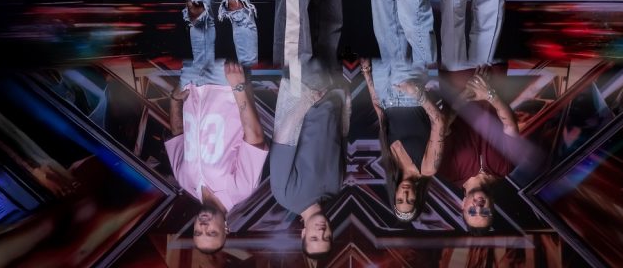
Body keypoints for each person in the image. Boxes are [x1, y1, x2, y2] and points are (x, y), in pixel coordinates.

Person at [166, 59, 269, 253]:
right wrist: (238, 86)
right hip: (225, 83)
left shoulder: (185, 181)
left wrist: (174, 100)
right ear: (226, 228)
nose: (203, 227)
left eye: (198, 232)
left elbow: (178, 134)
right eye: (212, 233)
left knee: (189, 39)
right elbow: (254, 136)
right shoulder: (241, 189)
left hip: (191, 82)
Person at [269, 58, 349, 260]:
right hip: (334, 88)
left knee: (301, 39)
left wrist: (306, 100)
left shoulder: (286, 196)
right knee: (331, 37)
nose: (321, 232)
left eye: (314, 238)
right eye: (326, 237)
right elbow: (341, 136)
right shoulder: (336, 188)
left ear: (303, 233)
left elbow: (282, 139)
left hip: (305, 87)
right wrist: (345, 101)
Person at [438, 65, 523, 235]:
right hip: (494, 74)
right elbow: (510, 125)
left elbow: (442, 127)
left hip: (455, 77)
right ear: (492, 207)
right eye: (485, 212)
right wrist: (489, 94)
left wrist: (466, 94)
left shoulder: (448, 170)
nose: (478, 207)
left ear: (462, 205)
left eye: (472, 212)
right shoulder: (506, 167)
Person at [361, 58, 444, 222]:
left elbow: (380, 113)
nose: (405, 194)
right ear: (418, 198)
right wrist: (418, 95)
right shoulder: (428, 168)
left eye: (400, 200)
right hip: (409, 94)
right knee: (399, 45)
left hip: (384, 92)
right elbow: (439, 122)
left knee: (379, 45)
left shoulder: (391, 163)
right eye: (410, 200)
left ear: (395, 195)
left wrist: (367, 75)